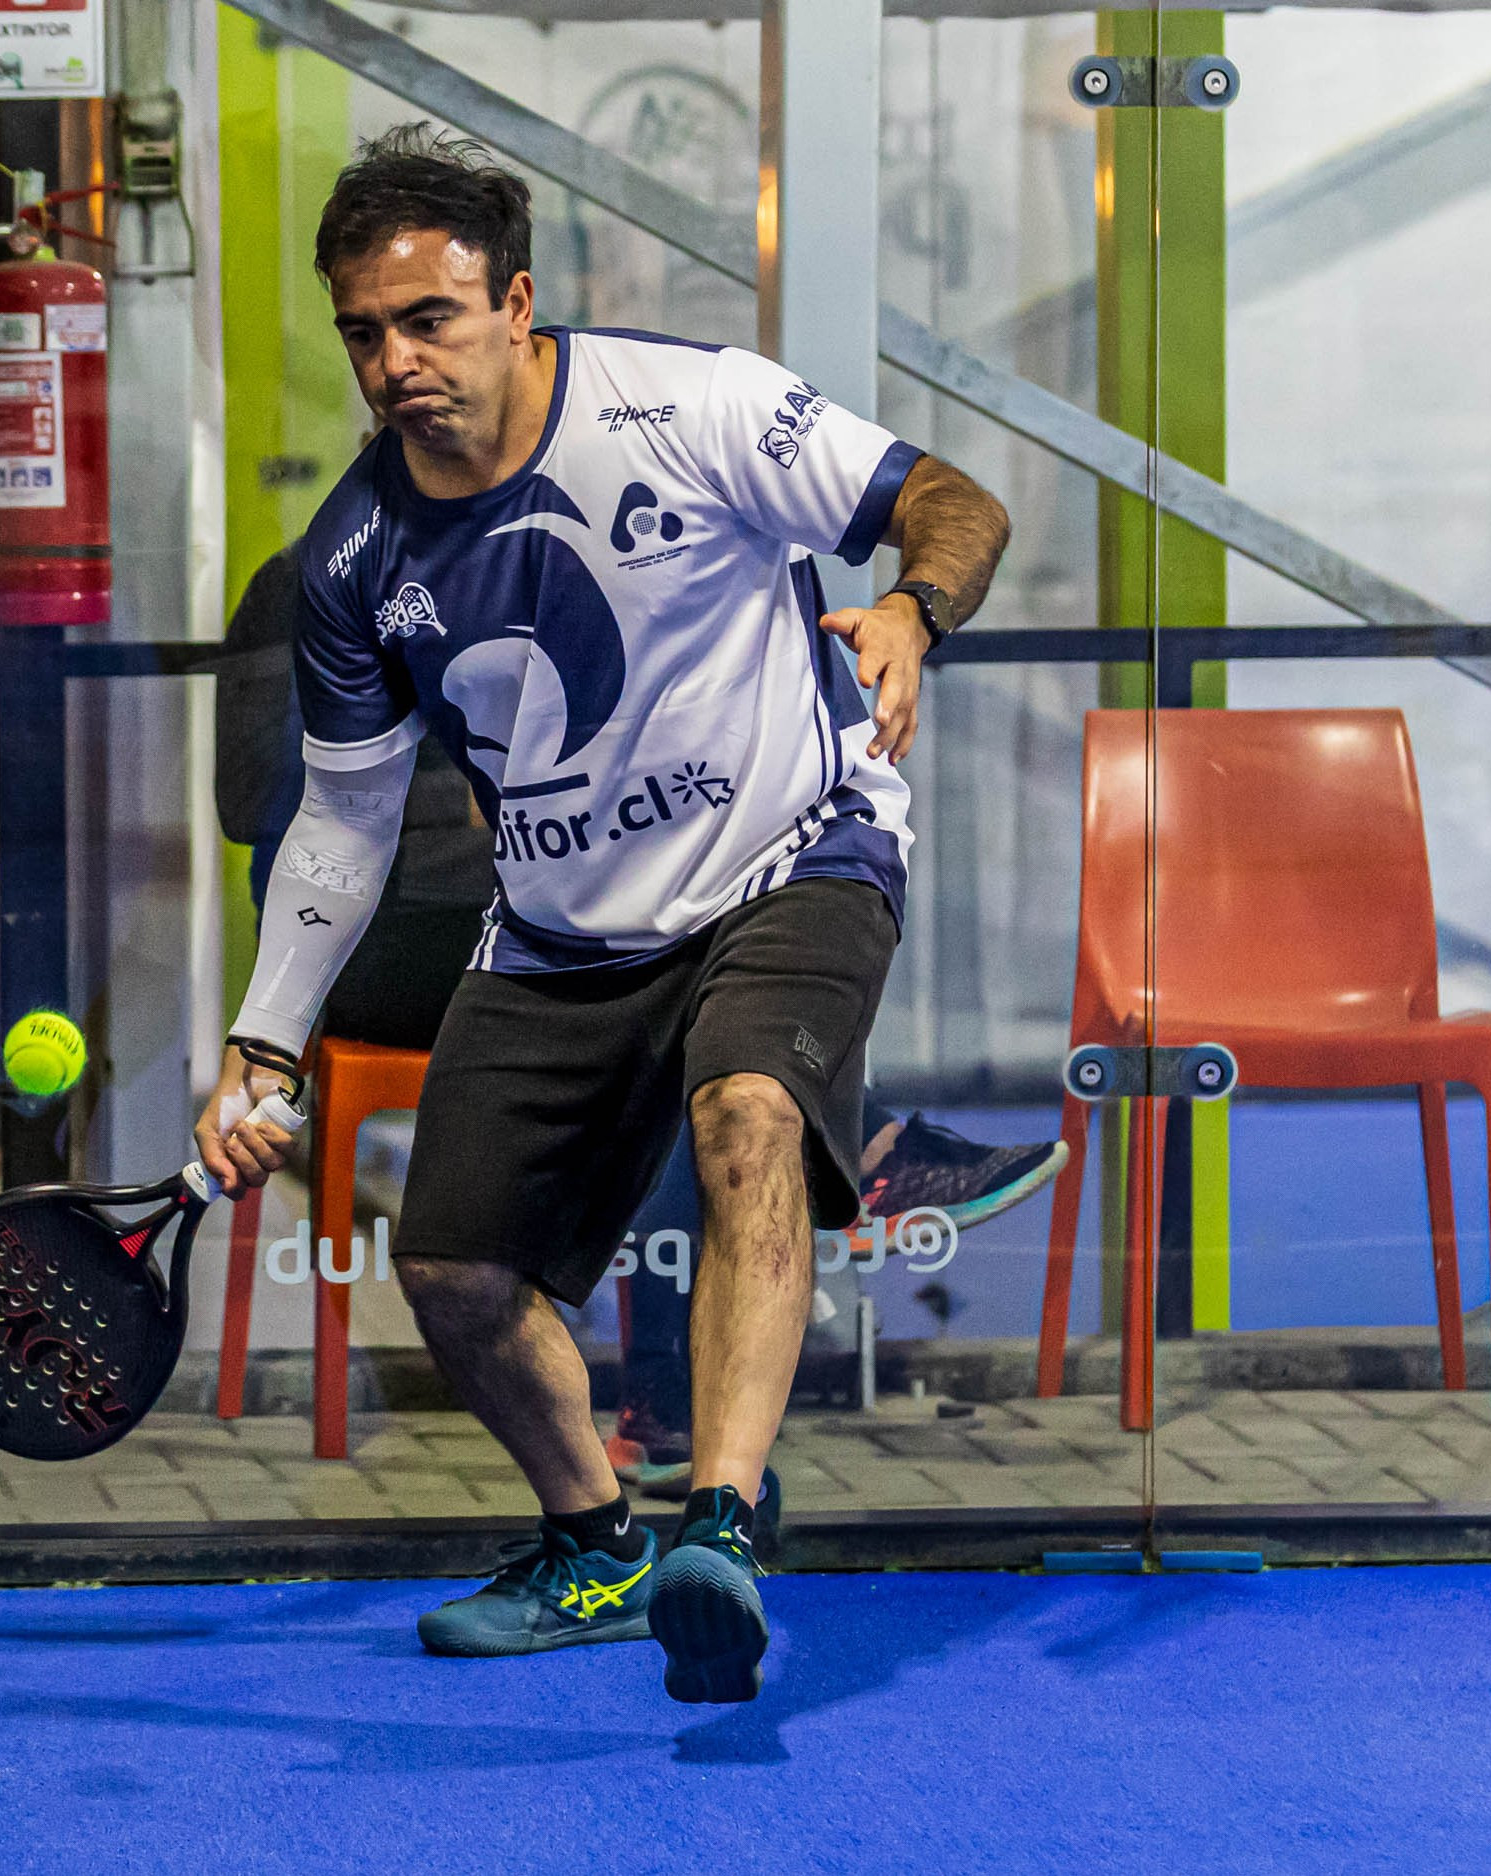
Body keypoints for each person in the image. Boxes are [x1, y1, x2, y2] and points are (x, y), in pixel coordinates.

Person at [197, 124, 1017, 1705]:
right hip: (560, 927)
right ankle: (595, 1545)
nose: (394, 362)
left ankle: (719, 1527)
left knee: (746, 1115)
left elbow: (949, 496)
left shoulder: (695, 407)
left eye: (429, 319)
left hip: (793, 854)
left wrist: (914, 609)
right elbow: (344, 821)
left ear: (516, 305)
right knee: (454, 1275)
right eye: (363, 332)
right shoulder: (355, 558)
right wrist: (266, 1041)